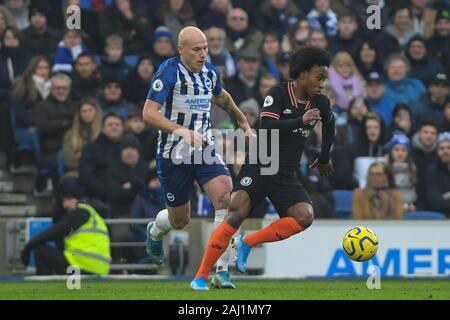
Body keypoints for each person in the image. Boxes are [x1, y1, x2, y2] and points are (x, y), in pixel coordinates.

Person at [190, 46, 335, 290]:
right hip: (261, 164)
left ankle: (248, 242)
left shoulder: (320, 101)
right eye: (319, 77)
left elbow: (330, 123)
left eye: (325, 79)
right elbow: (266, 127)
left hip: (286, 174)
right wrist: (301, 121)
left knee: (304, 217)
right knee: (235, 213)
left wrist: (324, 157)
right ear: (302, 74)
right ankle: (200, 277)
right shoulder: (278, 93)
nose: (322, 84)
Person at [142, 26, 251, 289]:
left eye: (205, 48)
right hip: (173, 153)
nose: (203, 53)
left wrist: (242, 121)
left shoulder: (210, 73)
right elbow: (148, 113)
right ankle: (155, 230)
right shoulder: (168, 71)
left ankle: (221, 271)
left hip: (204, 147)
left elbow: (223, 98)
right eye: (197, 49)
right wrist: (182, 132)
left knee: (225, 197)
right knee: (180, 220)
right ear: (181, 50)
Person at [20, 177, 111, 275]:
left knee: (41, 251)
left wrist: (28, 246)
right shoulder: (91, 214)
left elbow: (54, 232)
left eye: (67, 199)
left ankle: (44, 289)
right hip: (98, 269)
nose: (64, 205)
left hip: (82, 267)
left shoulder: (80, 212)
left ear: (75, 198)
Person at [424, 132, 450, 216]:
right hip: (441, 219)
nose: (445, 151)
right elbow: (434, 201)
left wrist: (446, 195)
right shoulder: (431, 172)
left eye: (449, 148)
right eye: (441, 148)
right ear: (437, 151)